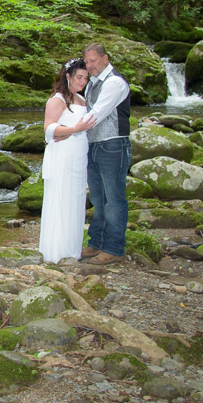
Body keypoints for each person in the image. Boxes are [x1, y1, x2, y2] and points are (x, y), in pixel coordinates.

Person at [38, 58, 95, 262]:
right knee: (61, 199)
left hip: (78, 156)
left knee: (76, 200)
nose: (83, 81)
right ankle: (56, 252)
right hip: (62, 156)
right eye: (79, 77)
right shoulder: (58, 99)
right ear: (68, 76)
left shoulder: (81, 99)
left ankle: (73, 251)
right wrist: (73, 130)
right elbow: (49, 129)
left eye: (86, 78)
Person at [81, 42, 132, 265]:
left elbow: (97, 114)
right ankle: (96, 243)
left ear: (105, 59)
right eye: (86, 62)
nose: (89, 66)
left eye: (93, 61)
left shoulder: (114, 83)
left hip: (113, 146)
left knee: (114, 200)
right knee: (98, 199)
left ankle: (114, 249)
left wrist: (65, 132)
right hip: (94, 145)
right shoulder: (92, 83)